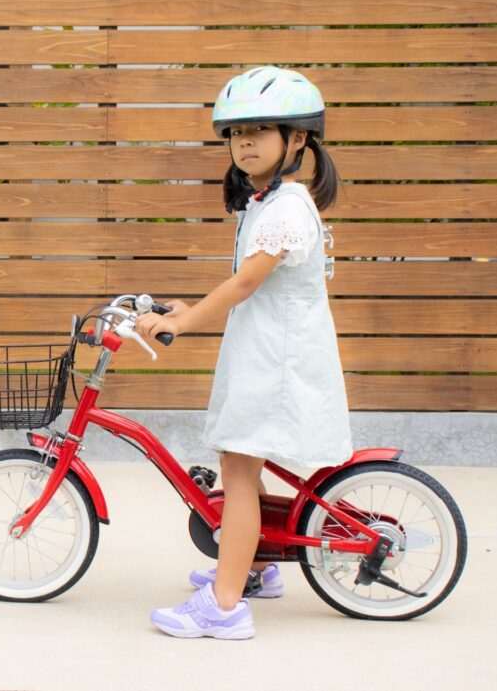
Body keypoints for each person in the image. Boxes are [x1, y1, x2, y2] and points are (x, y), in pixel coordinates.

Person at [134, 66, 353, 639]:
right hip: (263, 352)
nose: (244, 142)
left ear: (298, 138)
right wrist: (186, 311)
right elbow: (244, 285)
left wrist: (178, 328)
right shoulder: (265, 201)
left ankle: (224, 607)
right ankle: (255, 569)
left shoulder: (285, 208)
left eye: (259, 130)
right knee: (242, 460)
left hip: (279, 362)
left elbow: (245, 285)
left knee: (237, 469)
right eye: (235, 133)